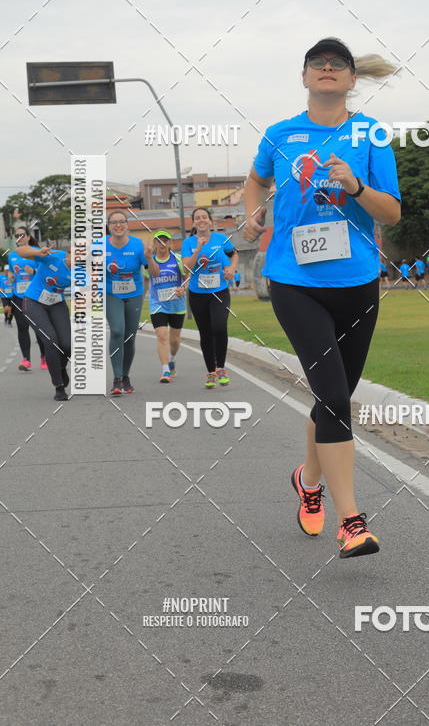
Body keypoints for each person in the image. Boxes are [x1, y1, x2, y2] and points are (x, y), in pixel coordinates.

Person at [243, 37, 401, 559]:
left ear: (353, 80)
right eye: (318, 64)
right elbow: (255, 179)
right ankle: (351, 521)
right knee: (334, 397)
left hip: (357, 282)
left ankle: (307, 480)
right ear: (305, 77)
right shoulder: (280, 133)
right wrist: (252, 212)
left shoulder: (371, 134)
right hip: (294, 280)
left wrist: (356, 187)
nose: (328, 70)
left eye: (338, 65)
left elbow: (392, 214)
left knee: (333, 397)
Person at [181, 207, 238, 388]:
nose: (201, 220)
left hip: (219, 290)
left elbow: (234, 254)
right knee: (205, 333)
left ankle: (221, 367)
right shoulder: (188, 243)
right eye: (197, 218)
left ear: (210, 221)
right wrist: (198, 248)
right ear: (194, 223)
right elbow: (186, 269)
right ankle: (211, 372)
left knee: (219, 327)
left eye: (204, 217)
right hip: (198, 294)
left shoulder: (221, 239)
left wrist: (231, 268)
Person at [19, 243, 71, 401]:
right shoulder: (55, 255)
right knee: (50, 339)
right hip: (34, 302)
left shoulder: (84, 272)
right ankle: (59, 386)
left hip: (57, 304)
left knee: (67, 345)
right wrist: (38, 252)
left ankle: (61, 367)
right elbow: (21, 251)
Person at [105, 211, 147, 395]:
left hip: (134, 294)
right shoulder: (100, 245)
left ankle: (125, 376)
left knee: (129, 337)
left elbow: (152, 271)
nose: (118, 225)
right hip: (110, 293)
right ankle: (116, 379)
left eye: (122, 221)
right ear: (108, 226)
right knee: (117, 331)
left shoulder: (138, 245)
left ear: (127, 225)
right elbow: (85, 266)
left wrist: (150, 256)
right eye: (113, 222)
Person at [145, 230, 187, 384]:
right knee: (162, 336)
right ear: (155, 244)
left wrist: (183, 288)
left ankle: (172, 358)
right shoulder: (150, 261)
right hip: (158, 305)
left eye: (165, 240)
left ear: (170, 243)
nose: (162, 244)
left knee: (174, 340)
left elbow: (187, 277)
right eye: (159, 241)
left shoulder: (178, 259)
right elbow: (145, 279)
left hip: (177, 304)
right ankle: (165, 370)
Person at [7, 227, 46, 370]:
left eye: (22, 235)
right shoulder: (12, 255)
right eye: (17, 235)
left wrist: (34, 271)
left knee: (38, 329)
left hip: (35, 296)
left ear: (29, 237)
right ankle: (26, 360)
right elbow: (11, 269)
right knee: (22, 328)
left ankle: (44, 358)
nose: (20, 238)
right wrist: (10, 275)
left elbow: (45, 271)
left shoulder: (37, 253)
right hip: (18, 296)